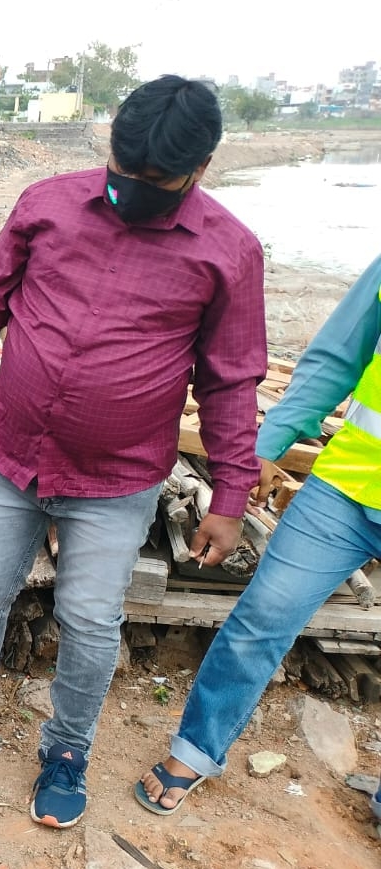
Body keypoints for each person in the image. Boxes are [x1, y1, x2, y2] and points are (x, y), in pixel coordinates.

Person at [0, 75, 266, 829]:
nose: (131, 190)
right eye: (123, 172)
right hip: (12, 452)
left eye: (155, 182)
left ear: (201, 168)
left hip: (116, 477)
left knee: (91, 619)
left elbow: (231, 381)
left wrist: (229, 498)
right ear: (111, 146)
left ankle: (67, 750)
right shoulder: (46, 204)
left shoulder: (228, 252)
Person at [138, 252, 381, 835]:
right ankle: (195, 751)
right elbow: (335, 361)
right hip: (349, 488)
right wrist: (266, 445)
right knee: (264, 613)